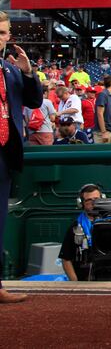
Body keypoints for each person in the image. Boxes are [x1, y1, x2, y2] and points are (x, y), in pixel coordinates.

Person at [0, 19, 43, 304]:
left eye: (4, 33)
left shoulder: (11, 70)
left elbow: (35, 101)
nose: (1, 38)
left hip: (4, 152)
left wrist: (29, 73)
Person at [94, 75, 111, 144]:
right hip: (103, 132)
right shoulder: (103, 94)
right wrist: (104, 132)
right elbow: (99, 113)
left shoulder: (110, 96)